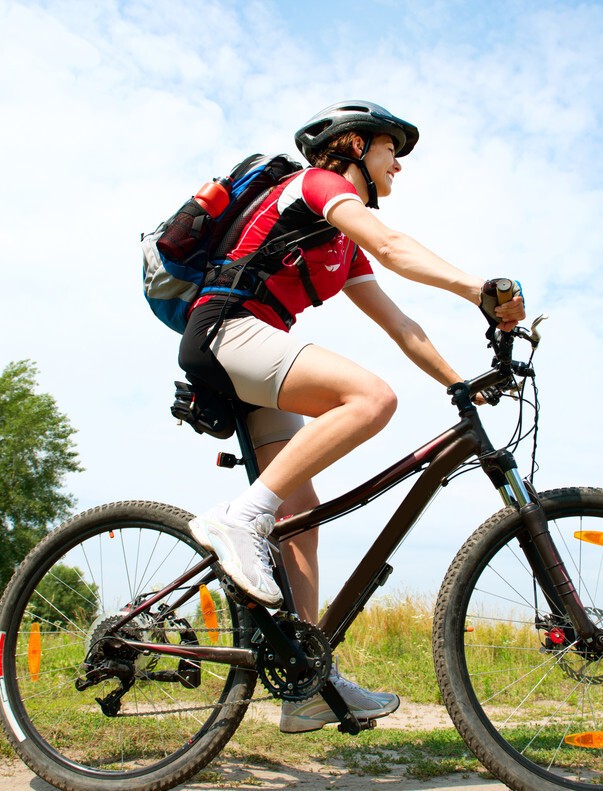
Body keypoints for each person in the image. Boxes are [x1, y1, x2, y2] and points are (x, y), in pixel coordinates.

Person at [178, 100, 525, 733]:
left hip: (254, 348)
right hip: (226, 330)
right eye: (395, 151)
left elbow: (401, 324)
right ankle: (235, 521)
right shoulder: (318, 185)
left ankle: (306, 684)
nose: (400, 167)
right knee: (370, 399)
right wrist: (479, 289)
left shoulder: (342, 246)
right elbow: (393, 246)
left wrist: (460, 384)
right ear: (358, 146)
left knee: (299, 519)